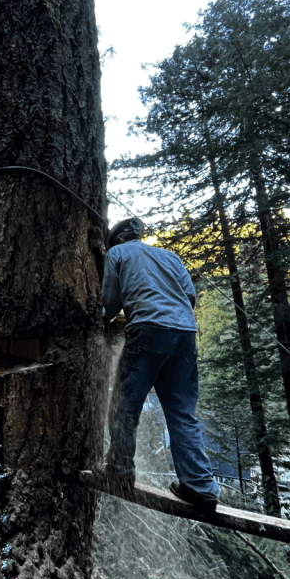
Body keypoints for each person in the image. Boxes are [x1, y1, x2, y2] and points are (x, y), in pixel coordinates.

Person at [101, 216, 220, 512]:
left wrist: (101, 322)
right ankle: (200, 485)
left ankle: (119, 469)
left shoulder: (117, 254)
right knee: (181, 411)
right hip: (185, 333)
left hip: (148, 329)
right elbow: (189, 297)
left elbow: (110, 302)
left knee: (125, 402)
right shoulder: (170, 256)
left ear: (116, 240)